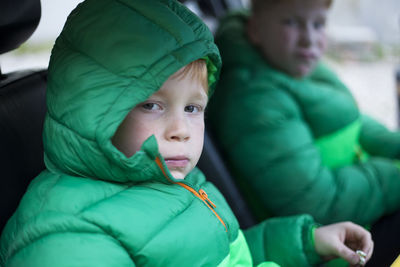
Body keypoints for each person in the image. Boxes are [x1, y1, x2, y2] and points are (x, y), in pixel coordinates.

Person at [0, 0, 373, 266]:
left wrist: (305, 242)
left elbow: (228, 254)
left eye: (193, 108)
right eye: (151, 105)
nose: (181, 131)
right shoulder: (65, 237)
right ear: (92, 108)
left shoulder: (178, 179)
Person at [206, 0, 400, 265]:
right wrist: (394, 176)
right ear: (255, 31)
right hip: (329, 244)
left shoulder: (290, 67)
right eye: (291, 22)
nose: (309, 39)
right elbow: (320, 203)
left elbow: (350, 122)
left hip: (356, 209)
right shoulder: (255, 102)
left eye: (318, 24)